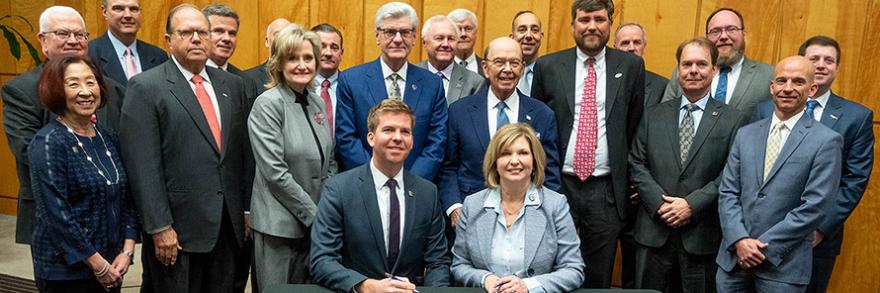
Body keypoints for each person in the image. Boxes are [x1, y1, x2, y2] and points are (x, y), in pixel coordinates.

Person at [119, 4, 251, 292]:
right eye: (186, 32)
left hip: (227, 229)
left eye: (202, 32)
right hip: (177, 233)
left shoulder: (233, 85)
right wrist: (158, 227)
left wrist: (246, 212)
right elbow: (143, 167)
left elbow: (240, 156)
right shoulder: (145, 87)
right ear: (168, 40)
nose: (196, 39)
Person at [530, 0, 645, 288]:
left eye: (599, 19)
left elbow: (634, 124)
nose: (592, 26)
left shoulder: (631, 66)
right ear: (573, 25)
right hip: (557, 185)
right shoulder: (548, 66)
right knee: (549, 264)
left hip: (606, 190)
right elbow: (537, 128)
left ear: (609, 24)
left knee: (598, 274)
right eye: (584, 20)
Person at [751, 36, 874, 293]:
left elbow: (854, 180)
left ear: (837, 68)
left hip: (815, 240)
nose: (820, 65)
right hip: (760, 235)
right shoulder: (763, 111)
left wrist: (820, 227)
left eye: (828, 60)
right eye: (813, 58)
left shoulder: (857, 117)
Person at [628, 38, 746, 293]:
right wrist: (660, 204)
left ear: (714, 70)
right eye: (687, 64)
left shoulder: (733, 119)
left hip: (701, 236)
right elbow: (636, 162)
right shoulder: (653, 114)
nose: (693, 70)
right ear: (678, 70)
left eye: (701, 64)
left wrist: (692, 205)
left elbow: (731, 172)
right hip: (653, 233)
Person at [716, 56, 842, 292]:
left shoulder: (826, 141)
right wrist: (740, 240)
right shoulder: (746, 134)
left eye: (797, 82)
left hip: (783, 268)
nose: (788, 88)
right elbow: (728, 192)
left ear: (812, 89)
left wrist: (762, 248)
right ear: (772, 87)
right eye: (782, 81)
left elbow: (815, 206)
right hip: (733, 261)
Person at [2, 5, 126, 246]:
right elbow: (26, 149)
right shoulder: (22, 90)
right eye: (63, 34)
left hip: (110, 213)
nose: (73, 41)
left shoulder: (112, 89)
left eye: (80, 35)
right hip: (53, 213)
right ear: (43, 40)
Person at [310, 99, 451, 292]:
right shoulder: (339, 188)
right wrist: (365, 286)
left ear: (412, 142)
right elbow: (322, 260)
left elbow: (439, 262)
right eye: (388, 130)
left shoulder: (428, 193)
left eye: (405, 132)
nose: (397, 138)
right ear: (371, 137)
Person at [29, 54, 138, 293]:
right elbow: (57, 215)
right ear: (56, 90)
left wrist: (127, 251)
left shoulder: (108, 137)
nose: (86, 91)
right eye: (73, 83)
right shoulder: (48, 142)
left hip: (113, 263)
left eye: (91, 82)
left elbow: (127, 197)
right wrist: (97, 264)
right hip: (66, 271)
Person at [440, 37, 561, 243]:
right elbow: (448, 167)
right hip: (469, 219)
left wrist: (539, 216)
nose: (507, 69)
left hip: (525, 223)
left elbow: (549, 175)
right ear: (485, 68)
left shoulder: (543, 114)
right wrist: (454, 207)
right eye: (499, 62)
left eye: (514, 63)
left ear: (522, 68)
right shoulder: (460, 111)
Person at [248, 24, 335, 287]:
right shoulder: (268, 104)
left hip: (315, 226)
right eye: (292, 58)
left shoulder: (316, 101)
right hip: (280, 229)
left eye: (308, 58)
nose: (302, 65)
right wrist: (315, 216)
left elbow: (328, 160)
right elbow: (275, 174)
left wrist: (327, 212)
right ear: (278, 62)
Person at [451, 123, 584, 292]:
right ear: (495, 161)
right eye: (506, 154)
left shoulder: (555, 205)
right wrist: (485, 279)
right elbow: (459, 265)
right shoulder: (472, 204)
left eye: (523, 153)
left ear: (534, 160)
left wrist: (528, 286)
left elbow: (573, 270)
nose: (514, 161)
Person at [335, 1, 448, 180]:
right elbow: (347, 139)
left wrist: (409, 183)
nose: (397, 39)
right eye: (389, 32)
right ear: (378, 36)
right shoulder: (351, 80)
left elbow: (436, 143)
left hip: (416, 188)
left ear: (414, 37)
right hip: (364, 186)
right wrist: (376, 179)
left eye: (404, 32)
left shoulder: (432, 85)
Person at [662, 8, 773, 117]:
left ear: (743, 34)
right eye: (715, 31)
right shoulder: (684, 72)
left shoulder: (768, 75)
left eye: (731, 29)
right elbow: (665, 114)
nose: (724, 36)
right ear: (707, 37)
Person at [88, 0, 168, 86]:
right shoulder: (89, 54)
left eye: (133, 9)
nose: (128, 15)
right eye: (119, 9)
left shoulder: (159, 57)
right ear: (105, 12)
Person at [416, 15, 483, 105]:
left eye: (451, 39)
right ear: (424, 42)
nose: (446, 44)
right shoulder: (410, 75)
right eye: (439, 38)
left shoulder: (475, 82)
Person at [613, 23, 668, 107]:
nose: (631, 48)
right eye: (625, 43)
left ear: (644, 48)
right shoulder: (604, 81)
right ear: (615, 49)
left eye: (637, 43)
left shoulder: (661, 86)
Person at [311, 23, 345, 131]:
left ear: (341, 53)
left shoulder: (352, 87)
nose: (328, 53)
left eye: (334, 47)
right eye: (322, 46)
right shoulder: (299, 87)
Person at [244, 18, 292, 93]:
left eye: (287, 34)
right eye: (277, 34)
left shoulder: (302, 76)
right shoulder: (247, 78)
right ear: (267, 41)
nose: (282, 38)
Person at [509, 11, 543, 96]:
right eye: (522, 30)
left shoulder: (551, 75)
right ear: (512, 37)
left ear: (541, 36)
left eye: (534, 30)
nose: (528, 35)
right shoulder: (502, 74)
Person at [448, 8, 483, 76]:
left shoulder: (488, 67)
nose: (463, 34)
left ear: (476, 32)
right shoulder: (441, 67)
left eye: (468, 29)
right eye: (458, 29)